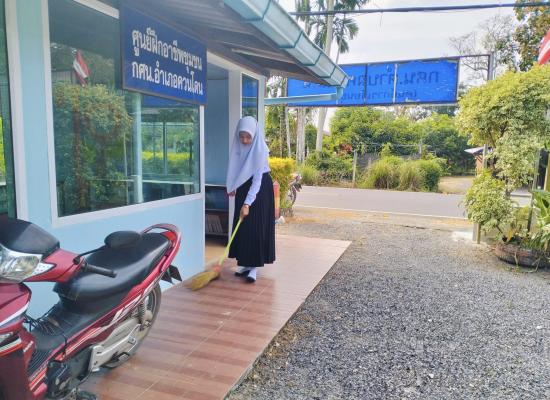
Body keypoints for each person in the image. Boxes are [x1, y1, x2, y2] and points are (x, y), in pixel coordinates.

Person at [226, 116, 276, 283]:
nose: (245, 140)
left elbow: (257, 181)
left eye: (248, 137)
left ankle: (254, 267)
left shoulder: (261, 151)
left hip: (260, 191)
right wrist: (232, 185)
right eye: (242, 136)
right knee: (243, 227)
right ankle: (246, 264)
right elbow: (234, 167)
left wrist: (247, 203)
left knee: (255, 228)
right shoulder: (239, 147)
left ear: (255, 135)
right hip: (243, 187)